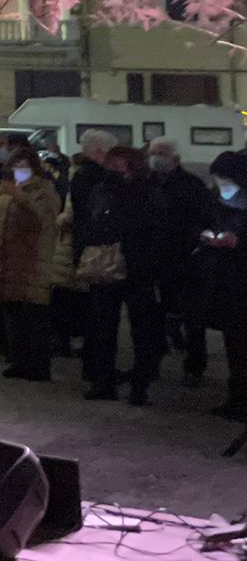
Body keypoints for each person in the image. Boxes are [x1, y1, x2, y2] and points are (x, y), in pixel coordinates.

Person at [74, 143, 166, 405]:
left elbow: (154, 229)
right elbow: (91, 221)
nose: (113, 168)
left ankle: (139, 385)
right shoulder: (102, 189)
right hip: (108, 264)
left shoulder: (146, 191)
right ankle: (104, 382)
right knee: (104, 326)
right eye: (110, 163)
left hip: (137, 268)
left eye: (119, 163)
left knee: (141, 330)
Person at [0, 142, 60, 382]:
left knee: (33, 316)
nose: (18, 170)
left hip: (31, 264)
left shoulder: (43, 191)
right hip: (4, 264)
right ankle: (19, 361)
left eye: (23, 165)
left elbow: (44, 222)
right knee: (12, 316)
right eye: (14, 165)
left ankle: (38, 366)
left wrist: (21, 198)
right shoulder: (1, 192)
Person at [191, 153, 247, 423]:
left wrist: (238, 243)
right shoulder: (219, 204)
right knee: (235, 346)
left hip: (239, 281)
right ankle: (236, 397)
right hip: (225, 283)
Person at [150, 139, 211, 383]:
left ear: (174, 158)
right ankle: (152, 362)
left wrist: (189, 246)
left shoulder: (190, 186)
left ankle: (194, 366)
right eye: (152, 153)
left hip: (183, 261)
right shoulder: (151, 183)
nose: (155, 158)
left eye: (160, 154)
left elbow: (201, 219)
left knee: (192, 317)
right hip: (157, 259)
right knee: (156, 314)